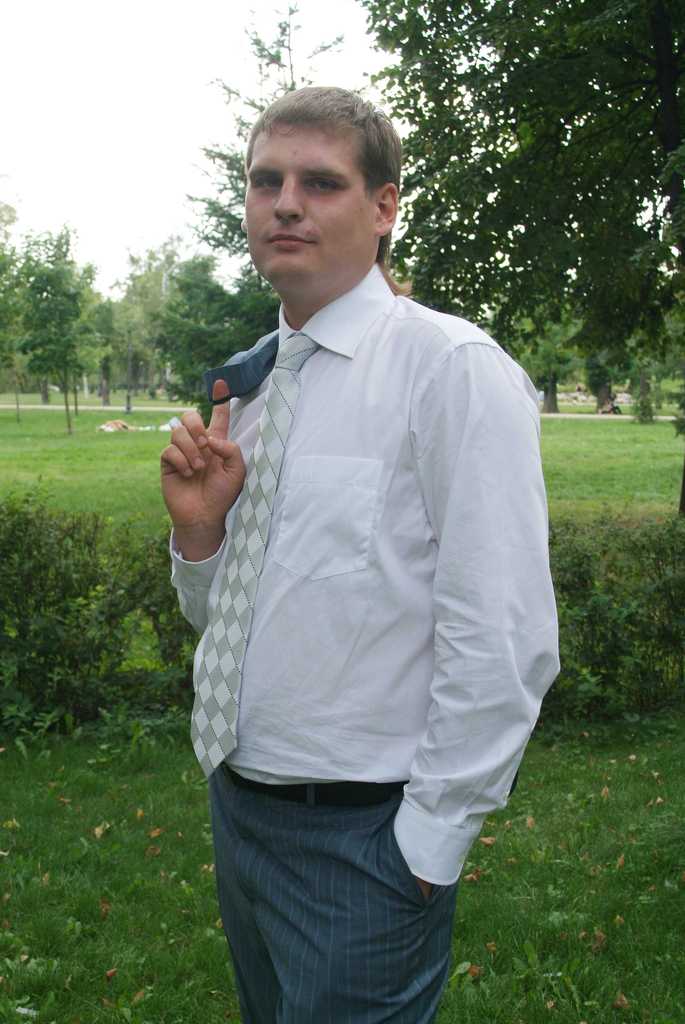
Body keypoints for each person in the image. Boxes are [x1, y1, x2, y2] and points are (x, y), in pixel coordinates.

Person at [161, 86, 559, 1024]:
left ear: (383, 207)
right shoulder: (251, 387)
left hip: (365, 840)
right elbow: (230, 619)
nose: (285, 204)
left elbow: (503, 633)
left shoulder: (449, 370)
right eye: (265, 181)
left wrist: (428, 842)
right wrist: (201, 534)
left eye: (320, 182)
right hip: (243, 810)